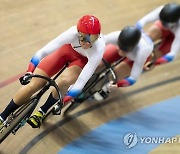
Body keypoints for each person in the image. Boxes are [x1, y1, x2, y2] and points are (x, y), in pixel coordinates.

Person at [0, 15, 105, 128]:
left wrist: (64, 100)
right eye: (85, 38)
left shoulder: (99, 48)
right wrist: (29, 71)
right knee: (34, 85)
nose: (88, 43)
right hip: (66, 51)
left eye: (92, 39)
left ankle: (42, 111)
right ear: (78, 32)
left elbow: (81, 81)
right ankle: (2, 117)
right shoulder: (71, 33)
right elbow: (43, 51)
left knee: (66, 80)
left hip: (81, 61)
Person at [93, 25, 154, 100]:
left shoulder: (142, 52)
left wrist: (118, 85)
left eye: (124, 49)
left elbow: (133, 78)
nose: (120, 50)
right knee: (99, 63)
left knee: (115, 75)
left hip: (136, 58)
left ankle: (105, 88)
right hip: (128, 49)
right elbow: (98, 41)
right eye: (120, 46)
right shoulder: (116, 36)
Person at [136, 3, 180, 70]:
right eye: (162, 22)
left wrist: (155, 62)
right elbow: (142, 21)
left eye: (166, 24)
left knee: (157, 55)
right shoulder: (161, 11)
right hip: (170, 27)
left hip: (176, 37)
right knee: (151, 34)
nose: (164, 24)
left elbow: (172, 54)